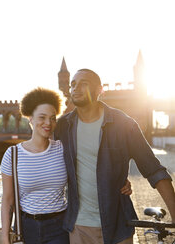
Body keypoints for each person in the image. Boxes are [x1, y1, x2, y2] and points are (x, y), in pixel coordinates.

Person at [54, 69, 175, 244]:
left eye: (84, 83)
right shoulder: (62, 127)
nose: (75, 88)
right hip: (78, 227)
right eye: (73, 84)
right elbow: (40, 159)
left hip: (118, 225)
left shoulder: (124, 124)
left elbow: (154, 170)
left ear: (99, 90)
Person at [1, 88, 69, 244]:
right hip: (26, 228)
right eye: (42, 117)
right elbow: (8, 199)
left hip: (59, 227)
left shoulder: (62, 149)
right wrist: (5, 236)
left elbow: (88, 167)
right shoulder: (12, 154)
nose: (48, 123)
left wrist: (120, 181)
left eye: (52, 118)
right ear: (30, 118)